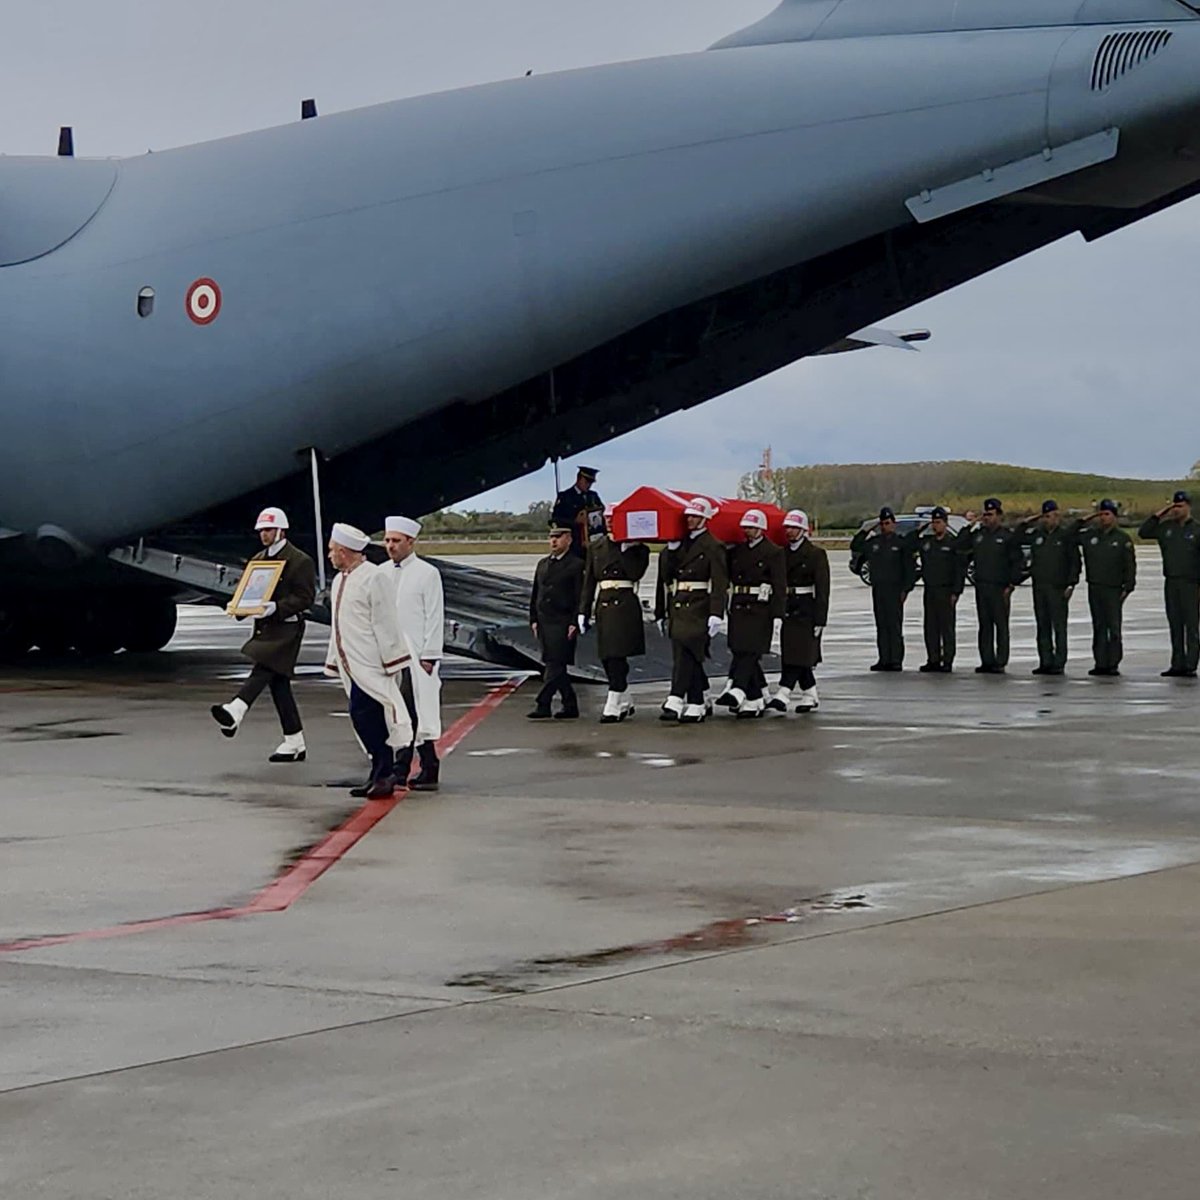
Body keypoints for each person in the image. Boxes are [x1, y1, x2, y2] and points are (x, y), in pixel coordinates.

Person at [210, 506, 317, 761]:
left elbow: (306, 597)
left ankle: (237, 708)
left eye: (268, 530)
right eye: (261, 530)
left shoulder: (300, 560)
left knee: (264, 667)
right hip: (266, 626)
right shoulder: (258, 559)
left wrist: (277, 608)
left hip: (287, 627)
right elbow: (251, 590)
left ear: (281, 530)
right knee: (279, 685)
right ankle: (294, 742)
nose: (264, 535)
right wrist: (240, 608)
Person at [324, 523, 414, 798]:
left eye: (332, 551)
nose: (329, 556)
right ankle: (378, 771)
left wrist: (392, 661)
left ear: (344, 551)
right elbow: (338, 623)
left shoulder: (374, 577)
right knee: (362, 718)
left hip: (371, 663)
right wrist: (333, 658)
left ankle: (386, 772)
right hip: (350, 662)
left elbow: (386, 621)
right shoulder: (340, 579)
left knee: (367, 715)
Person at [381, 515, 445, 791]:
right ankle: (421, 765)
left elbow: (435, 616)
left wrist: (430, 654)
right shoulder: (381, 572)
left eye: (396, 541)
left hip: (417, 654)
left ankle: (407, 767)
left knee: (414, 709)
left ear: (411, 541)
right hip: (390, 654)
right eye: (387, 540)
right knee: (398, 712)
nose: (390, 546)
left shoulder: (427, 573)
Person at [655, 497, 729, 723]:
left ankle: (677, 698)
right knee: (685, 653)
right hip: (679, 603)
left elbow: (719, 582)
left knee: (688, 651)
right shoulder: (680, 543)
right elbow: (665, 577)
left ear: (705, 519)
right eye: (688, 515)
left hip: (700, 604)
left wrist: (717, 613)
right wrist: (671, 550)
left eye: (695, 516)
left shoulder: (713, 545)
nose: (690, 519)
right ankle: (697, 701)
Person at [579, 505, 650, 723]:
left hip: (625, 604)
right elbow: (589, 581)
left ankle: (614, 698)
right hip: (604, 603)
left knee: (617, 654)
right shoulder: (596, 546)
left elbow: (635, 573)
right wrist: (583, 610)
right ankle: (623, 695)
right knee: (607, 655)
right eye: (607, 518)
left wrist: (627, 549)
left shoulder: (638, 549)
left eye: (614, 518)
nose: (610, 522)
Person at [718, 509, 786, 718]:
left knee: (750, 650)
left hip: (760, 607)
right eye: (746, 528)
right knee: (739, 650)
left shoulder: (773, 552)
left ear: (761, 529)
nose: (748, 532)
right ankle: (755, 697)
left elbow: (779, 585)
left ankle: (738, 689)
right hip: (739, 604)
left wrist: (777, 614)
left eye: (752, 528)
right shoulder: (737, 551)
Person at [768, 509, 829, 712]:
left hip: (806, 608)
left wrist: (821, 619)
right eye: (788, 528)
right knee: (793, 653)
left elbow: (823, 589)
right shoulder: (781, 553)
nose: (790, 532)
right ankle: (810, 693)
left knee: (800, 653)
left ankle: (784, 691)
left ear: (804, 530)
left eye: (795, 528)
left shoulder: (816, 554)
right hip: (788, 605)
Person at [957, 497, 1024, 674]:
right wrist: (971, 525)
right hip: (982, 586)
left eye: (991, 514)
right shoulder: (978, 536)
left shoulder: (1007, 537)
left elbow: (1018, 562)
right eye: (985, 514)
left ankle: (1000, 661)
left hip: (1000, 587)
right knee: (985, 626)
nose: (987, 518)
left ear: (999, 515)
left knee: (1001, 625)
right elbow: (960, 545)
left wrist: (1011, 584)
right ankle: (987, 660)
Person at [1138, 490, 1200, 677]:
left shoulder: (1196, 529)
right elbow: (1144, 532)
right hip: (1171, 582)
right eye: (1174, 506)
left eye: (1180, 507)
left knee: (1191, 625)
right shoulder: (1166, 528)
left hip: (1191, 583)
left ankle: (1190, 664)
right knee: (1175, 624)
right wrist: (1160, 514)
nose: (1176, 510)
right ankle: (1177, 663)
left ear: (1188, 507)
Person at [1017, 500, 1081, 676]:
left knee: (1058, 626)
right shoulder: (1038, 535)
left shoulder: (1065, 536)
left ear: (1057, 516)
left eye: (1050, 516)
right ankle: (1045, 661)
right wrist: (1027, 521)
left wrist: (1071, 584)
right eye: (1044, 516)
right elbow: (1017, 537)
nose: (1047, 520)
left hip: (1058, 587)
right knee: (1042, 625)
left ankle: (1058, 662)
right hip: (1040, 587)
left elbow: (1075, 561)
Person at [528, 526, 585, 719]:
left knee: (555, 664)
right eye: (551, 537)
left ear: (568, 539)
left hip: (563, 621)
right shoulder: (543, 564)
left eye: (558, 537)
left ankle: (542, 702)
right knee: (555, 664)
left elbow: (580, 597)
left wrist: (575, 621)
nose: (553, 541)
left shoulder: (576, 565)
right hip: (544, 620)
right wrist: (533, 618)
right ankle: (570, 705)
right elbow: (536, 593)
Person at [849, 506, 914, 671]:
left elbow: (909, 568)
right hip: (879, 589)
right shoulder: (874, 543)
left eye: (887, 523)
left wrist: (906, 589)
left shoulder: (901, 543)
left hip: (895, 589)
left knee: (894, 626)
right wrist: (867, 529)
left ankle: (896, 660)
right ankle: (884, 658)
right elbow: (856, 545)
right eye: (882, 524)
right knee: (881, 625)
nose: (885, 526)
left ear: (893, 524)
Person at [1078, 499, 1136, 677]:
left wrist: (1129, 586)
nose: (1103, 518)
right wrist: (1086, 519)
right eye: (1101, 514)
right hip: (1095, 586)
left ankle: (1113, 663)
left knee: (1113, 627)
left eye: (1107, 514)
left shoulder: (1122, 539)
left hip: (1113, 588)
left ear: (1114, 517)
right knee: (1099, 626)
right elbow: (1069, 535)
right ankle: (1100, 662)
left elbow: (1130, 565)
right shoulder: (1090, 536)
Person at [908, 506, 964, 673]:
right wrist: (919, 530)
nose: (935, 526)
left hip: (946, 590)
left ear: (945, 524)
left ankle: (947, 660)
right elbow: (908, 545)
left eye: (938, 522)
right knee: (930, 628)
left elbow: (959, 570)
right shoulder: (927, 544)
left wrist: (956, 591)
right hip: (930, 590)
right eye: (933, 523)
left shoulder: (952, 544)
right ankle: (933, 659)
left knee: (946, 628)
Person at [551, 465, 605, 559]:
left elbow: (601, 513)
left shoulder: (593, 496)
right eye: (586, 481)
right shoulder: (565, 497)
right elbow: (555, 520)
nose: (589, 485)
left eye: (591, 482)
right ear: (579, 479)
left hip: (593, 543)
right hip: (574, 544)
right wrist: (575, 521)